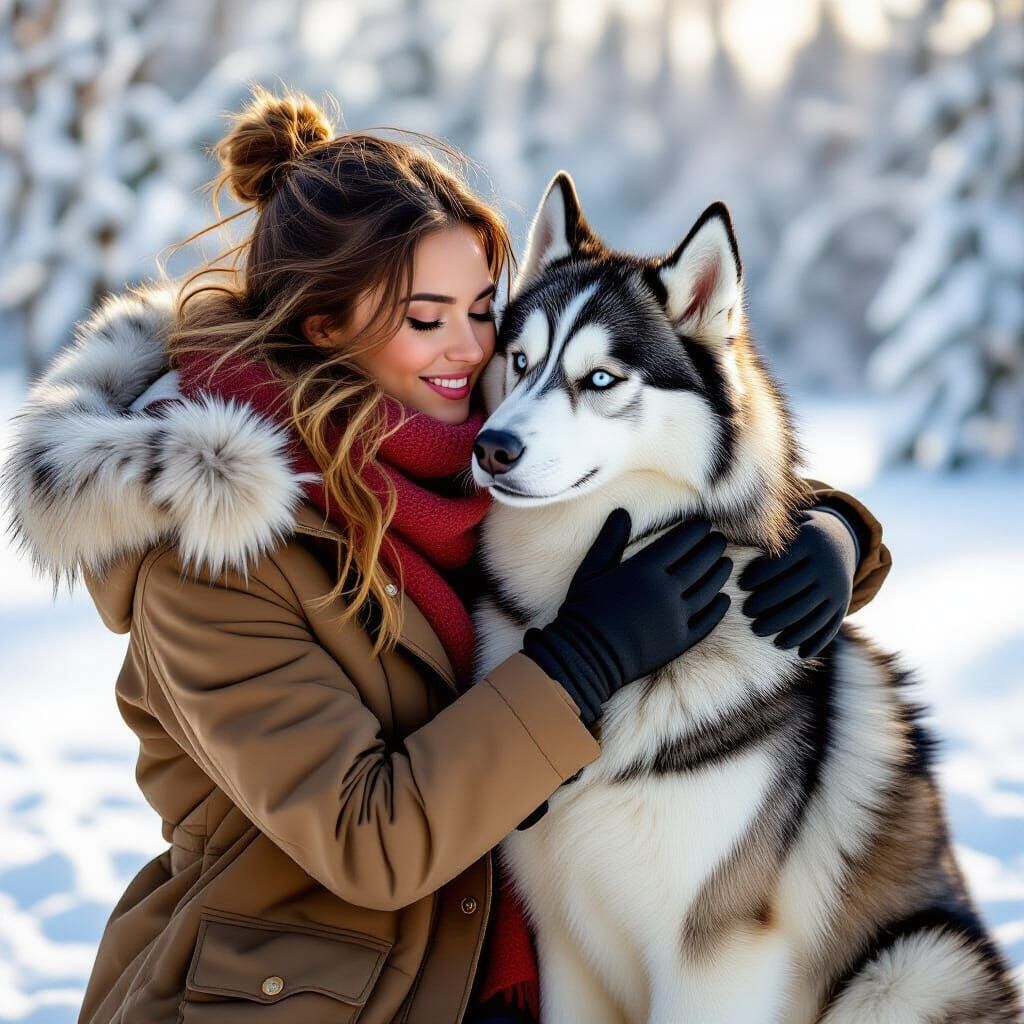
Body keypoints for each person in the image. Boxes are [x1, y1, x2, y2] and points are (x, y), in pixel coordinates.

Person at [1, 86, 891, 1024]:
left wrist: (825, 533)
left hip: (487, 975)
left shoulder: (457, 447)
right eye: (427, 319)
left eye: (483, 309)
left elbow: (667, 461)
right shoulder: (215, 558)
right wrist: (579, 661)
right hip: (306, 997)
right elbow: (368, 841)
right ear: (324, 326)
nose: (474, 351)